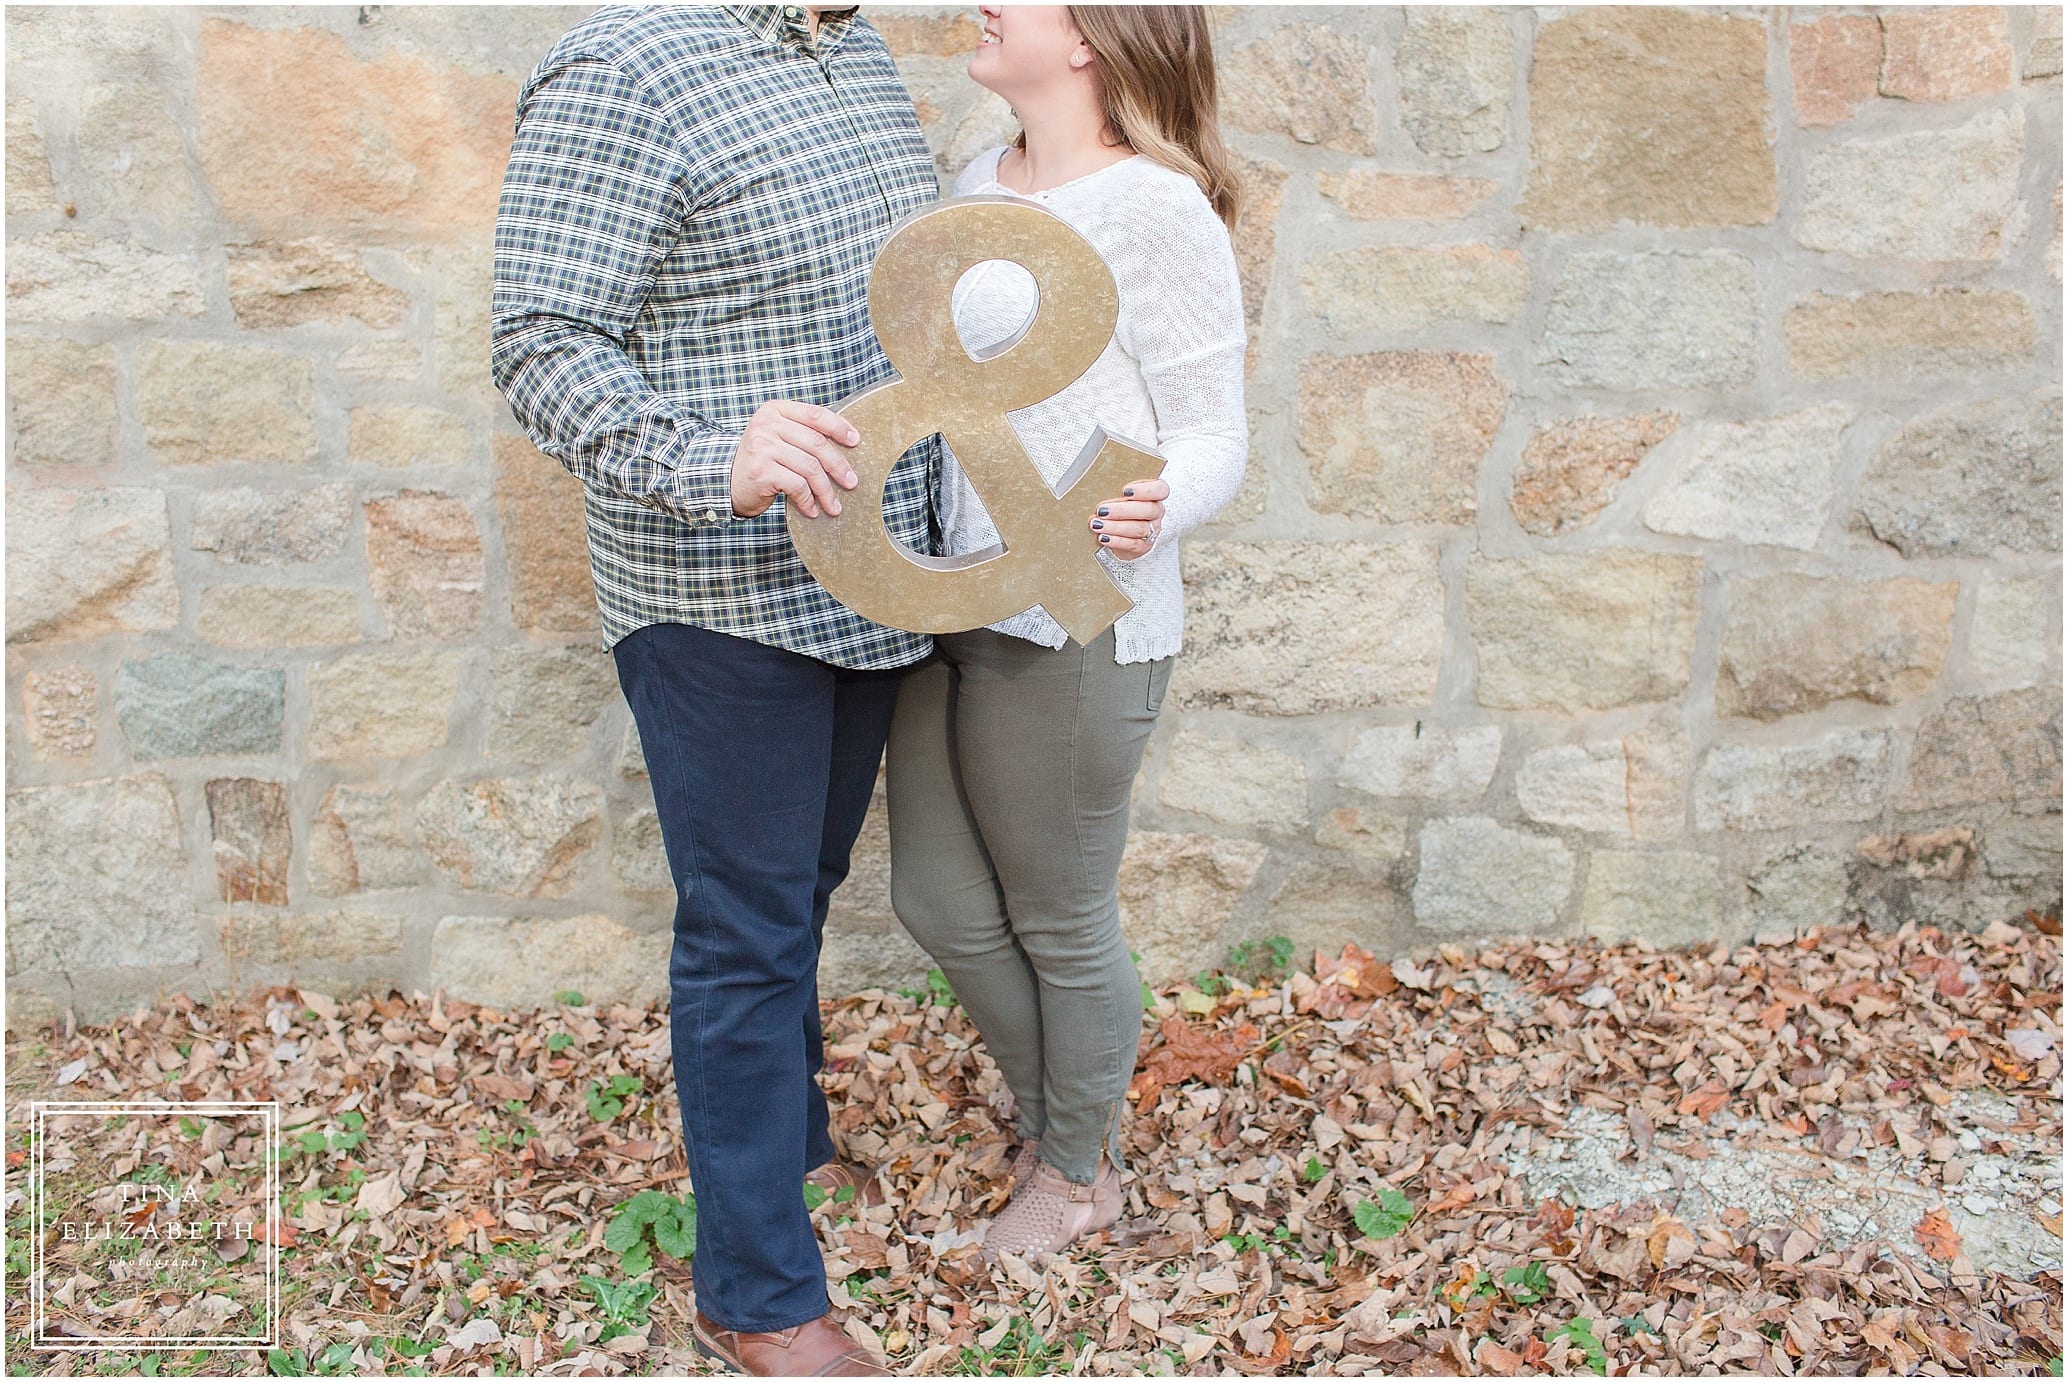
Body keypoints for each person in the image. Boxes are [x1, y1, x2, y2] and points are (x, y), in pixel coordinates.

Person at [489, 6, 940, 1375]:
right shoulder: (621, 68)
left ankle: (785, 1154)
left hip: (869, 581)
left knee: (796, 894)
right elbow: (540, 340)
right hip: (717, 595)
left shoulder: (849, 48)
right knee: (744, 933)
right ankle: (757, 1287)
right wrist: (706, 458)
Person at [885, 4, 1248, 1260]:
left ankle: (1076, 1168)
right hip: (954, 592)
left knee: (1059, 910)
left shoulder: (1155, 207)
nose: (983, 6)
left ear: (1089, 36)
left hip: (1081, 613)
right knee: (935, 896)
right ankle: (1059, 1119)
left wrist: (1163, 502)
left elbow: (1214, 427)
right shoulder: (974, 178)